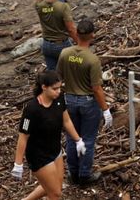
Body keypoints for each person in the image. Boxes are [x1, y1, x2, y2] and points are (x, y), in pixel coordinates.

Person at [12, 71, 87, 200]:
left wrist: (78, 140)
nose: (58, 91)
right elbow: (23, 136)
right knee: (55, 193)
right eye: (54, 89)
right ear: (44, 87)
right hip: (39, 156)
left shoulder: (59, 99)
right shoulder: (31, 110)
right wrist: (18, 163)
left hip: (55, 150)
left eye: (60, 88)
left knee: (55, 186)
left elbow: (66, 121)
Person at [57, 20, 111, 186]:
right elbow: (96, 88)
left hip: (69, 100)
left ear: (77, 34)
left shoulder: (65, 53)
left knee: (73, 137)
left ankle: (73, 173)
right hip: (87, 102)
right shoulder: (92, 60)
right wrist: (105, 109)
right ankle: (84, 175)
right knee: (87, 139)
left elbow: (58, 77)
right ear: (92, 35)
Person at [35, 0, 76, 71]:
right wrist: (80, 43)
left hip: (46, 46)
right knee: (76, 64)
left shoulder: (39, 6)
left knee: (52, 74)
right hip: (62, 46)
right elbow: (71, 29)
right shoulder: (63, 7)